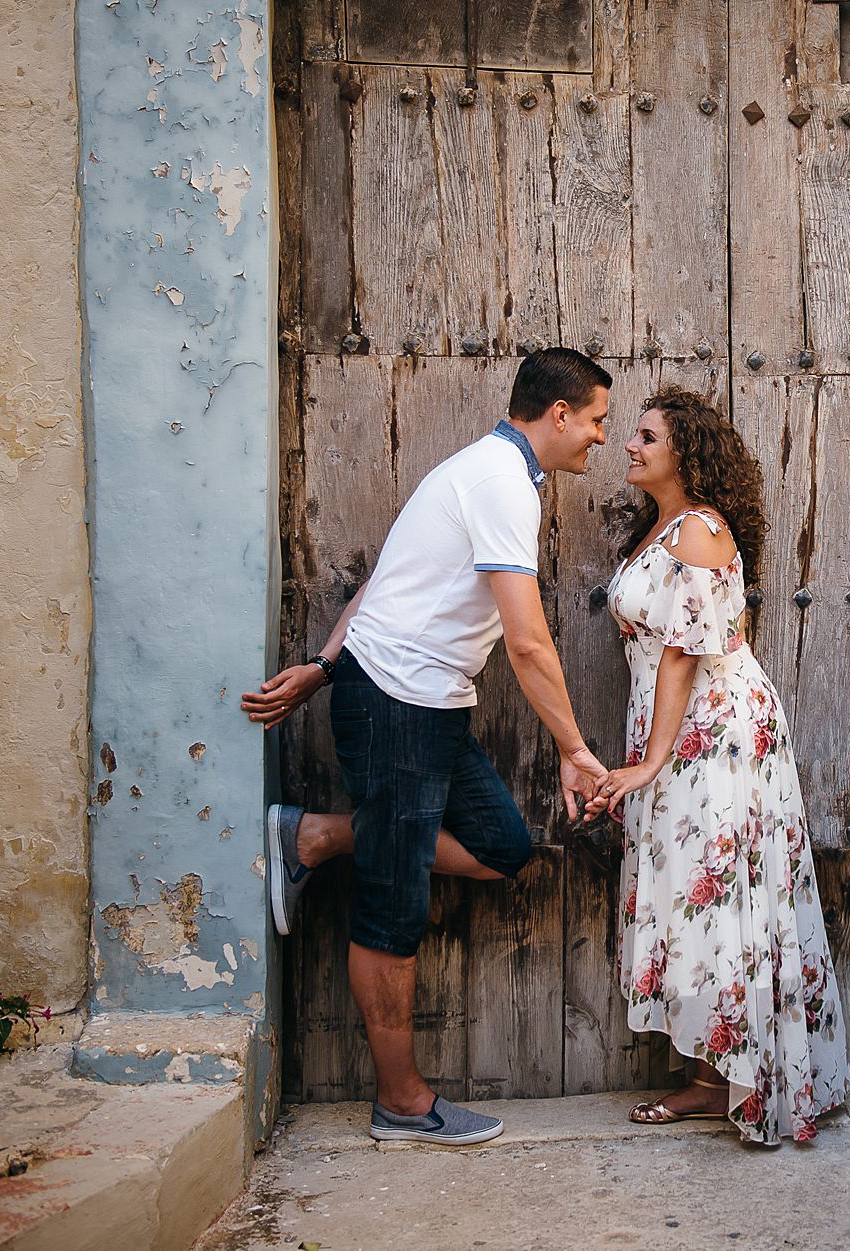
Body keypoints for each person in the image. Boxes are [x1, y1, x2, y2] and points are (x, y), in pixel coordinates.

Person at [240, 347, 614, 1146]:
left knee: (503, 845)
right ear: (558, 414)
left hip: (429, 704)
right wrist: (573, 747)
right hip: (397, 704)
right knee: (394, 901)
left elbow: (386, 581)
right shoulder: (498, 483)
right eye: (597, 420)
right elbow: (527, 641)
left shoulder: (490, 475)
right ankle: (403, 1103)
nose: (600, 437)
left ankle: (314, 834)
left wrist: (321, 665)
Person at [587, 387, 850, 1144]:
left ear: (684, 452)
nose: (629, 445)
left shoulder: (700, 531)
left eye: (644, 436)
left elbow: (680, 653)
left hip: (712, 731)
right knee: (696, 889)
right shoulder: (663, 528)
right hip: (684, 726)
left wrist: (649, 762)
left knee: (718, 887)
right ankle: (715, 1071)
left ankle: (722, 1080)